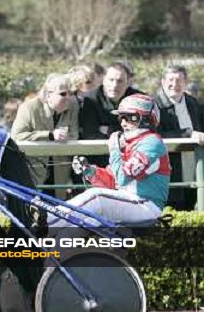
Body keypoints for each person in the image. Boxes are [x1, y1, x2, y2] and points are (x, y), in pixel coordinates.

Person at [53, 94, 170, 228]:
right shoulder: (131, 143)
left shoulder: (152, 142)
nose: (122, 123)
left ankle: (48, 220)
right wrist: (89, 170)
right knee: (82, 224)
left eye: (129, 117)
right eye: (121, 117)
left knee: (97, 197)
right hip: (131, 202)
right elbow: (112, 180)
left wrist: (114, 149)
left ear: (145, 119)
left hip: (147, 206)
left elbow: (123, 179)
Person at [11, 73, 79, 196]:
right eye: (63, 94)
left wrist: (65, 136)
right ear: (49, 95)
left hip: (60, 172)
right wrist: (49, 135)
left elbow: (74, 135)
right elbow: (16, 136)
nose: (68, 97)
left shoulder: (73, 105)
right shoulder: (29, 108)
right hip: (34, 171)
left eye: (71, 93)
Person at [155, 65, 204, 210]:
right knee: (172, 205)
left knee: (192, 199)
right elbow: (155, 134)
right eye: (171, 80)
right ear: (163, 82)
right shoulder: (154, 105)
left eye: (179, 80)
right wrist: (188, 134)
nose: (175, 85)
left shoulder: (192, 102)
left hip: (194, 161)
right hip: (168, 165)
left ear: (185, 82)